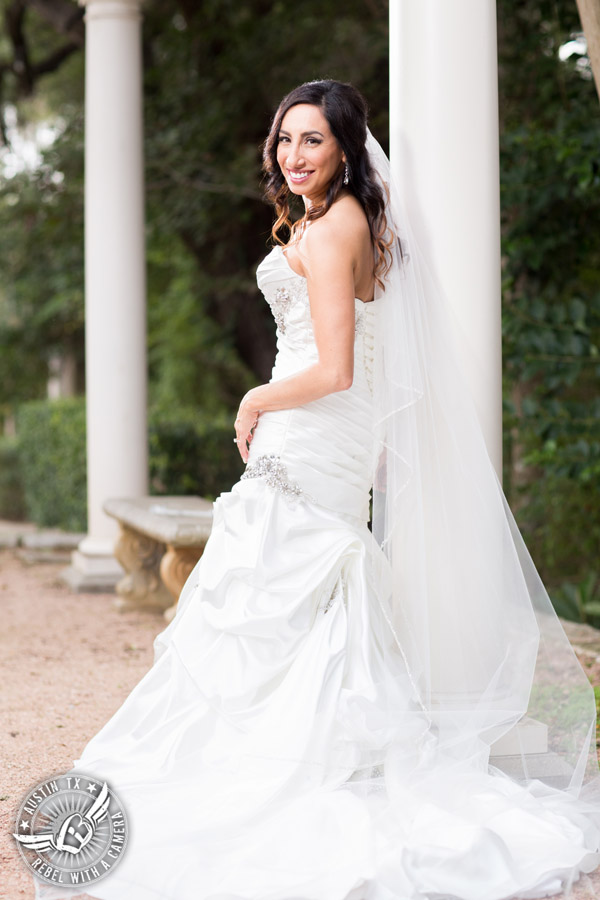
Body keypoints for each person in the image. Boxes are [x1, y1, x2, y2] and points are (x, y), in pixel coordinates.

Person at [33, 80, 600, 900]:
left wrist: (257, 397)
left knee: (270, 578)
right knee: (280, 597)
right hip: (317, 433)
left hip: (314, 428)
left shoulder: (335, 229)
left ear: (345, 150)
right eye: (285, 140)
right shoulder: (334, 219)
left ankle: (278, 768)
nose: (294, 157)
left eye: (313, 142)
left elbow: (333, 369)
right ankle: (280, 753)